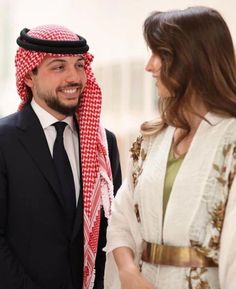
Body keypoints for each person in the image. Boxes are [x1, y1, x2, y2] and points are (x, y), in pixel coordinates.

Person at [104, 6, 236, 289]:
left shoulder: (231, 142)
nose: (149, 65)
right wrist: (128, 272)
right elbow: (122, 218)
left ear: (192, 60)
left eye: (160, 55)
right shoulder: (151, 140)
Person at [0, 24, 121, 289]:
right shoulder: (4, 140)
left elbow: (114, 229)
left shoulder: (103, 144)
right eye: (58, 67)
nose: (74, 78)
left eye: (79, 65)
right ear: (29, 76)